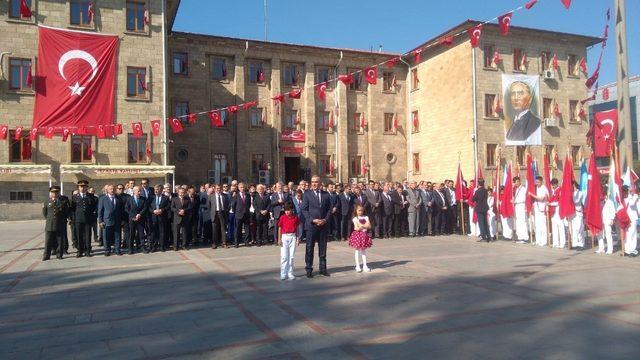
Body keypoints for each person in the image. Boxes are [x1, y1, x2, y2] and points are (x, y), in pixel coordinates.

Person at [301, 175, 331, 278]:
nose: (314, 183)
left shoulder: (326, 194)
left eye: (316, 182)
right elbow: (304, 210)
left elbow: (329, 210)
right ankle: (309, 269)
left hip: (323, 225)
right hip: (311, 226)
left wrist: (325, 220)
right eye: (313, 182)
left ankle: (323, 269)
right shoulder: (306, 194)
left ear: (320, 183)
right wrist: (313, 220)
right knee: (309, 248)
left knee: (323, 248)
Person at [70, 180, 97, 257]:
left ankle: (87, 250)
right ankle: (80, 251)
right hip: (78, 219)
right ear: (78, 187)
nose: (82, 188)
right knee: (79, 236)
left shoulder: (91, 196)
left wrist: (91, 216)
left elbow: (93, 207)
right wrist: (72, 219)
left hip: (88, 219)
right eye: (81, 186)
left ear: (87, 187)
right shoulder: (75, 197)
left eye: (84, 186)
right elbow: (73, 209)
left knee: (88, 236)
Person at [43, 186, 68, 261]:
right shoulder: (47, 201)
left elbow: (66, 212)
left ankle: (59, 254)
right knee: (48, 241)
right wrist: (50, 220)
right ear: (51, 193)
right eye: (53, 192)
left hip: (60, 223)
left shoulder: (63, 201)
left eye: (56, 192)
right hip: (49, 224)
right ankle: (46, 255)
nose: (55, 194)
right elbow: (45, 213)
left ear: (59, 193)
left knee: (60, 240)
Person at [98, 184, 125, 256]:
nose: (112, 190)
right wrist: (100, 221)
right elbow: (100, 211)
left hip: (117, 220)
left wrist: (122, 219)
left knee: (118, 235)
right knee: (106, 236)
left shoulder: (118, 198)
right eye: (110, 189)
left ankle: (117, 250)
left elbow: (122, 210)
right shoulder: (103, 199)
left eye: (113, 189)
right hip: (107, 220)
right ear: (107, 190)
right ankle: (107, 250)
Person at [278, 202, 300, 280]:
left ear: (292, 210)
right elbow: (280, 228)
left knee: (291, 257)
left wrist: (298, 238)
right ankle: (283, 273)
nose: (287, 212)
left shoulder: (295, 218)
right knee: (284, 257)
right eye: (285, 210)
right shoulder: (282, 217)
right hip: (284, 237)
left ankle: (290, 273)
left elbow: (297, 228)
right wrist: (279, 239)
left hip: (293, 237)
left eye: (288, 210)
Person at [349, 204, 373, 273]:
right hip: (358, 235)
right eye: (359, 210)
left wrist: (362, 226)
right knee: (357, 250)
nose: (360, 212)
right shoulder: (355, 218)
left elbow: (369, 226)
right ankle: (357, 266)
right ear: (356, 211)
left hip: (364, 235)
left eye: (362, 210)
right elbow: (356, 228)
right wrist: (364, 226)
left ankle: (365, 265)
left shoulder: (366, 217)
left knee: (363, 250)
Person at [125, 186, 148, 254]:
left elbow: (145, 208)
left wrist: (140, 214)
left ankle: (143, 247)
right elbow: (126, 208)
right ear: (134, 191)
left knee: (141, 234)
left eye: (140, 191)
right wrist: (132, 216)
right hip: (132, 220)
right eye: (138, 191)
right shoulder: (129, 199)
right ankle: (130, 249)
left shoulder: (143, 199)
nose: (139, 192)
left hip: (140, 219)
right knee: (132, 234)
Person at [149, 184, 170, 252]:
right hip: (153, 217)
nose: (156, 191)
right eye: (155, 190)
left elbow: (168, 206)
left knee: (162, 232)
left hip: (162, 217)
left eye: (157, 190)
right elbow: (148, 207)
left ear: (161, 190)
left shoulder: (166, 198)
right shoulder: (151, 198)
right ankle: (153, 247)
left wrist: (162, 210)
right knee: (154, 233)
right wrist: (153, 211)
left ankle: (162, 246)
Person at [208, 184, 229, 248]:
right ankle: (214, 243)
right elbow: (209, 206)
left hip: (222, 213)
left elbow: (227, 205)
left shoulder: (225, 196)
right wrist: (212, 214)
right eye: (217, 188)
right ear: (214, 189)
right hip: (215, 213)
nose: (218, 189)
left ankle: (224, 243)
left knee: (223, 228)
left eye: (219, 188)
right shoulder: (211, 196)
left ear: (221, 189)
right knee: (214, 229)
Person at [530, 176, 549, 247]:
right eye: (536, 182)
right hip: (537, 209)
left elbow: (541, 198)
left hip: (542, 209)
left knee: (542, 226)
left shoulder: (544, 188)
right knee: (537, 225)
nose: (536, 183)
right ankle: (538, 240)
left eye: (538, 182)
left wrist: (532, 195)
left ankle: (544, 241)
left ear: (541, 181)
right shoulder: (536, 188)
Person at [548, 179, 566, 249]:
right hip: (553, 210)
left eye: (554, 184)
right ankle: (555, 242)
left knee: (560, 226)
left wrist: (550, 204)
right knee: (554, 226)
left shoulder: (560, 190)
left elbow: (559, 202)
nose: (552, 186)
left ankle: (562, 243)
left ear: (556, 184)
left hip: (558, 209)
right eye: (552, 185)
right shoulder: (553, 191)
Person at [232, 182, 251, 248]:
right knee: (237, 229)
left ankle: (246, 242)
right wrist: (236, 212)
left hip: (246, 214)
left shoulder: (248, 195)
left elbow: (249, 204)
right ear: (238, 188)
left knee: (247, 229)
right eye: (241, 187)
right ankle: (236, 243)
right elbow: (233, 206)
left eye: (243, 187)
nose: (242, 188)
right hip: (238, 214)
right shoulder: (236, 196)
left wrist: (246, 210)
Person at [623, 185, 639, 256]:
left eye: (626, 190)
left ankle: (633, 250)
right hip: (626, 219)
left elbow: (632, 204)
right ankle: (627, 250)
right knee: (627, 235)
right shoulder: (624, 198)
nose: (625, 192)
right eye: (624, 190)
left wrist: (631, 193)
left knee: (632, 234)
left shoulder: (634, 196)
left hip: (633, 218)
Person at [513, 177, 529, 244]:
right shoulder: (516, 189)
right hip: (517, 207)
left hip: (521, 206)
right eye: (515, 182)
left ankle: (525, 237)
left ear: (519, 181)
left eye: (517, 181)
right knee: (518, 222)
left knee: (523, 222)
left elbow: (523, 199)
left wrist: (515, 201)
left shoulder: (523, 189)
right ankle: (520, 237)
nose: (516, 183)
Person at [569, 181, 585, 250]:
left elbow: (577, 201)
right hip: (572, 214)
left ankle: (581, 244)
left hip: (578, 213)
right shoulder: (571, 193)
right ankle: (575, 244)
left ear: (574, 185)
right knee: (573, 229)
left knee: (579, 229)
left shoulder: (580, 193)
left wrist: (569, 200)